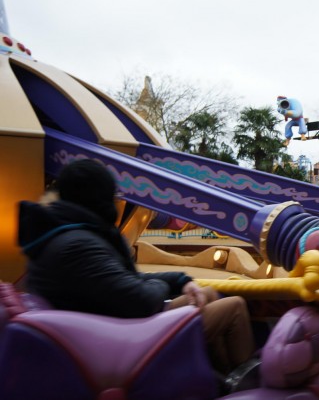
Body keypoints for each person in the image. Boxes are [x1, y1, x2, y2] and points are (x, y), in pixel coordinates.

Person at [18, 159, 254, 376]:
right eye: (112, 195)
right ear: (97, 197)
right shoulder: (77, 245)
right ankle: (246, 381)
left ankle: (223, 378)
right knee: (234, 307)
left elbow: (123, 282)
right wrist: (162, 285)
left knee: (208, 294)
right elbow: (140, 300)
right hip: (116, 343)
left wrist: (181, 280)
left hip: (109, 324)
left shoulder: (69, 234)